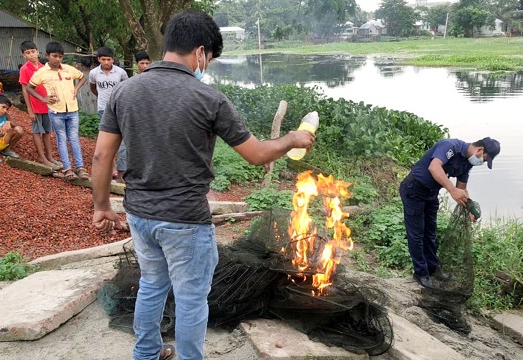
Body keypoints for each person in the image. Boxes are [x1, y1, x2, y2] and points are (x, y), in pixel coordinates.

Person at [91, 10, 315, 360]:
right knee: (192, 297)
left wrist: (102, 206)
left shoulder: (124, 91)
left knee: (151, 283)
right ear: (199, 52)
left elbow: (102, 157)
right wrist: (292, 138)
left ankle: (147, 353)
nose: (205, 66)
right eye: (208, 58)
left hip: (139, 214)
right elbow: (256, 154)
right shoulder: (209, 99)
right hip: (185, 220)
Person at [400, 137, 500, 288]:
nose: (482, 163)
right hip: (414, 190)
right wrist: (451, 190)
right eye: (485, 160)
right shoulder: (450, 146)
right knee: (417, 233)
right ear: (480, 150)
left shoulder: (467, 164)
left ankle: (433, 268)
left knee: (430, 232)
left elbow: (461, 188)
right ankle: (420, 273)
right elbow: (434, 167)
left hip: (431, 193)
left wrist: (470, 208)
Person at [27, 42, 89, 181]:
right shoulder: (41, 73)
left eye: (60, 56)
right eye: (54, 56)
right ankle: (67, 169)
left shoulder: (68, 69)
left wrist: (77, 88)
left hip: (73, 110)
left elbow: (83, 77)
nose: (57, 59)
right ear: (47, 56)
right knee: (61, 139)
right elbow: (29, 87)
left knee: (74, 138)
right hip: (56, 112)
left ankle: (80, 168)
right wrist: (43, 98)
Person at [18, 41, 62, 171]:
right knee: (37, 132)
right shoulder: (25, 69)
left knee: (47, 131)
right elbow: (25, 89)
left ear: (38, 52)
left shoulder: (44, 67)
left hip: (47, 105)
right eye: (27, 53)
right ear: (23, 55)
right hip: (35, 105)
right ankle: (42, 157)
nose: (31, 55)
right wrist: (29, 108)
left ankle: (49, 156)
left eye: (33, 52)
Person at [88, 46, 128, 182]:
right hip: (103, 109)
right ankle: (112, 170)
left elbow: (125, 89)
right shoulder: (94, 73)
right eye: (103, 59)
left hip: (120, 109)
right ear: (98, 59)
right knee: (108, 141)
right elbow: (93, 88)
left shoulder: (121, 73)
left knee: (123, 141)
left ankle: (122, 173)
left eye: (109, 59)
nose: (106, 62)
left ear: (113, 59)